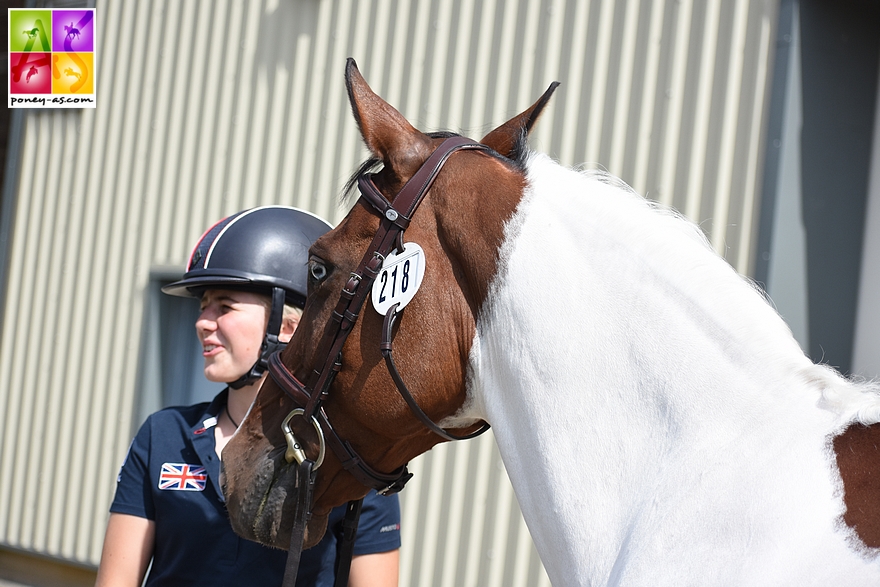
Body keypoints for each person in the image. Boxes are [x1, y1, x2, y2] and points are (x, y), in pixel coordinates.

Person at [95, 206, 401, 587]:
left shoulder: (349, 459)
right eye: (204, 306)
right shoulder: (163, 435)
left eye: (225, 306)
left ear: (290, 326)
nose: (202, 322)